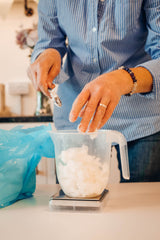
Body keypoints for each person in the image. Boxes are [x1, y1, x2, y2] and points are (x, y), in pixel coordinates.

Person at [27, 0, 160, 182]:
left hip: (141, 117)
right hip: (77, 119)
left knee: (144, 204)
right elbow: (49, 41)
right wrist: (48, 54)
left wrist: (124, 79)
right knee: (74, 203)